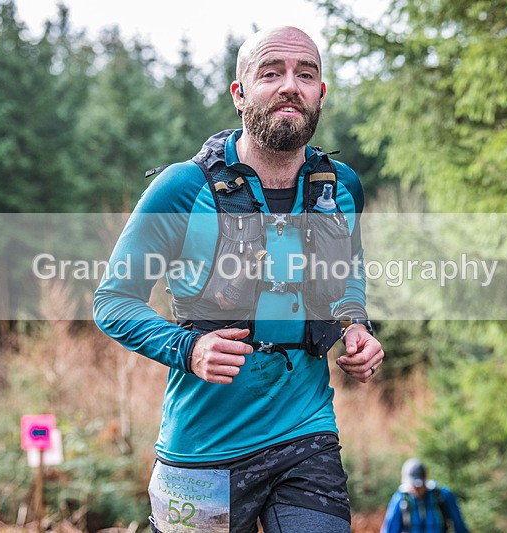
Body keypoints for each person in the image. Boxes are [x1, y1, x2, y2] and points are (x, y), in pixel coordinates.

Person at [93, 26, 383, 533]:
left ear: (321, 94)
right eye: (271, 74)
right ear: (240, 94)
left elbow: (348, 274)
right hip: (203, 448)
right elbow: (113, 302)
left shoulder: (341, 188)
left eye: (306, 74)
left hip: (306, 432)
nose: (290, 85)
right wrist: (189, 348)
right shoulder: (183, 188)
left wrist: (355, 323)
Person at [380, 458, 469, 533]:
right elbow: (390, 529)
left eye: (418, 485)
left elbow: (459, 526)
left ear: (425, 478)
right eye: (412, 485)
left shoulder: (442, 496)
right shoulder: (401, 499)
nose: (415, 489)